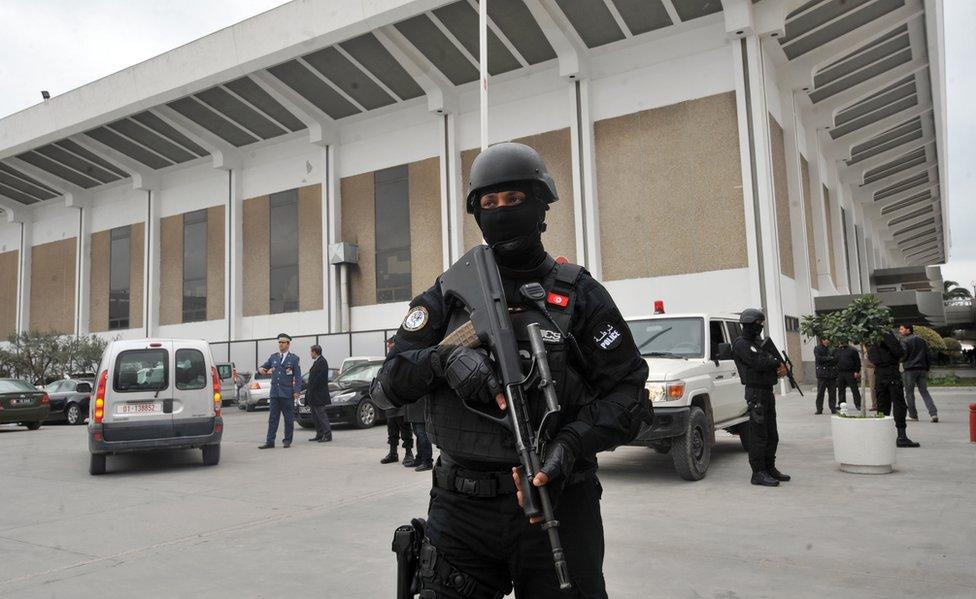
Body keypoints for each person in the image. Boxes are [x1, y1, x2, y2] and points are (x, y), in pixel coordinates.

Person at [371, 142, 648, 598]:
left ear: (541, 205)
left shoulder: (580, 294)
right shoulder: (449, 293)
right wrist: (444, 359)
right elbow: (387, 386)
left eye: (515, 200)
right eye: (489, 203)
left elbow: (632, 398)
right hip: (462, 511)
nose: (502, 211)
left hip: (557, 501)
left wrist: (571, 443)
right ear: (477, 214)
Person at [731, 309, 790, 487]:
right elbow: (759, 362)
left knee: (772, 434)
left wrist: (781, 368)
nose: (760, 327)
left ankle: (770, 468)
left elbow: (767, 362)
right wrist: (775, 362)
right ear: (750, 324)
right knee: (759, 436)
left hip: (766, 391)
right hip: (755, 393)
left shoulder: (758, 342)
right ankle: (758, 473)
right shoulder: (741, 344)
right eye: (758, 324)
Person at [867, 330, 920, 447]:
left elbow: (870, 356)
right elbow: (899, 351)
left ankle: (882, 436)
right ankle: (901, 436)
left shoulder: (869, 335)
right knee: (899, 404)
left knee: (882, 405)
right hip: (891, 372)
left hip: (879, 374)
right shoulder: (886, 333)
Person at [258, 333, 302, 449]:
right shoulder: (274, 357)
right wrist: (261, 370)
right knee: (272, 419)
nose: (280, 345)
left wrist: (297, 391)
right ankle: (270, 441)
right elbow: (263, 367)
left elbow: (297, 377)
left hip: (287, 394)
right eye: (279, 342)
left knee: (288, 419)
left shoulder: (293, 359)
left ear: (288, 344)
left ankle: (287, 440)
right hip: (275, 394)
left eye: (283, 342)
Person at [381, 337, 414, 466]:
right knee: (392, 427)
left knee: (404, 427)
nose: (388, 346)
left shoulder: (402, 358)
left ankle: (408, 453)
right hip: (390, 398)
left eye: (390, 344)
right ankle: (393, 453)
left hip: (400, 398)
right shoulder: (389, 360)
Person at [899, 324, 939, 423]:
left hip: (909, 370)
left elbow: (903, 355)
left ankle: (913, 415)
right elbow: (928, 355)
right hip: (922, 369)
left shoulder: (904, 341)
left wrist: (901, 361)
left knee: (909, 393)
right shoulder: (922, 340)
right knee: (924, 392)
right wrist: (927, 368)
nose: (900, 331)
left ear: (908, 330)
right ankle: (933, 414)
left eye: (902, 329)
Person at [305, 344, 333, 442]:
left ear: (315, 352)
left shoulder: (322, 362)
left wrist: (311, 388)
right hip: (313, 395)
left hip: (319, 395)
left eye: (311, 352)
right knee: (315, 416)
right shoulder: (317, 362)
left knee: (321, 415)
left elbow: (319, 378)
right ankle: (319, 434)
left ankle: (327, 434)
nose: (310, 354)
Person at [405, 394, 433, 471]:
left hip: (420, 404)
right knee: (418, 434)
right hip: (413, 405)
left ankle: (427, 461)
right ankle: (420, 458)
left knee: (422, 435)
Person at [835, 339, 862, 410]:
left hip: (850, 372)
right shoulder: (838, 350)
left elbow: (857, 362)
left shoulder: (853, 350)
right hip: (840, 373)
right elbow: (835, 361)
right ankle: (841, 404)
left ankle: (858, 404)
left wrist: (856, 371)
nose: (841, 343)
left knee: (854, 389)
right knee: (841, 390)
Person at [814, 337, 838, 414]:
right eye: (824, 339)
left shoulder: (832, 349)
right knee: (820, 393)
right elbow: (819, 359)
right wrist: (829, 358)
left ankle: (833, 408)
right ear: (822, 340)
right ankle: (819, 409)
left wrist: (827, 359)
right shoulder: (817, 348)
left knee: (832, 393)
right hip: (822, 374)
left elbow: (835, 359)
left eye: (827, 339)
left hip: (832, 374)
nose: (826, 341)